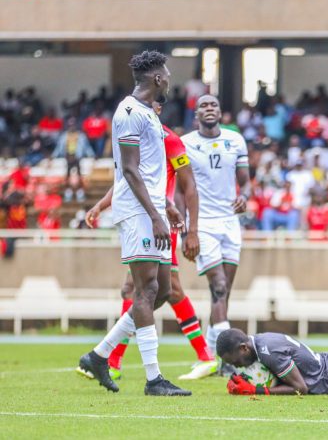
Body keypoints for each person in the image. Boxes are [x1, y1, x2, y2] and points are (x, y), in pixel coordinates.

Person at [77, 50, 191, 396]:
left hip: (152, 209)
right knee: (145, 291)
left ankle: (99, 355)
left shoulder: (149, 116)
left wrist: (166, 205)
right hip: (138, 213)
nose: (169, 79)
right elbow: (130, 170)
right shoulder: (129, 113)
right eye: (167, 74)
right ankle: (154, 379)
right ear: (156, 78)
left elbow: (152, 172)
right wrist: (155, 214)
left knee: (162, 291)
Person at [78, 124, 216, 381]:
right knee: (146, 291)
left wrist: (192, 231)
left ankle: (111, 358)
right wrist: (100, 205)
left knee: (156, 290)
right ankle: (111, 359)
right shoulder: (138, 136)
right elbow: (128, 179)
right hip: (144, 220)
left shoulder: (170, 140)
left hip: (161, 223)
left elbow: (189, 185)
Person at [182, 94, 251, 360]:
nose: (209, 108)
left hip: (230, 223)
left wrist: (244, 195)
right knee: (219, 286)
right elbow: (181, 189)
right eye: (204, 105)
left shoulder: (235, 140)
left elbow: (244, 181)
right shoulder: (186, 144)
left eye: (214, 105)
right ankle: (228, 359)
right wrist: (187, 230)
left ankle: (210, 354)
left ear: (221, 112)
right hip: (203, 223)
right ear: (196, 114)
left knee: (223, 292)